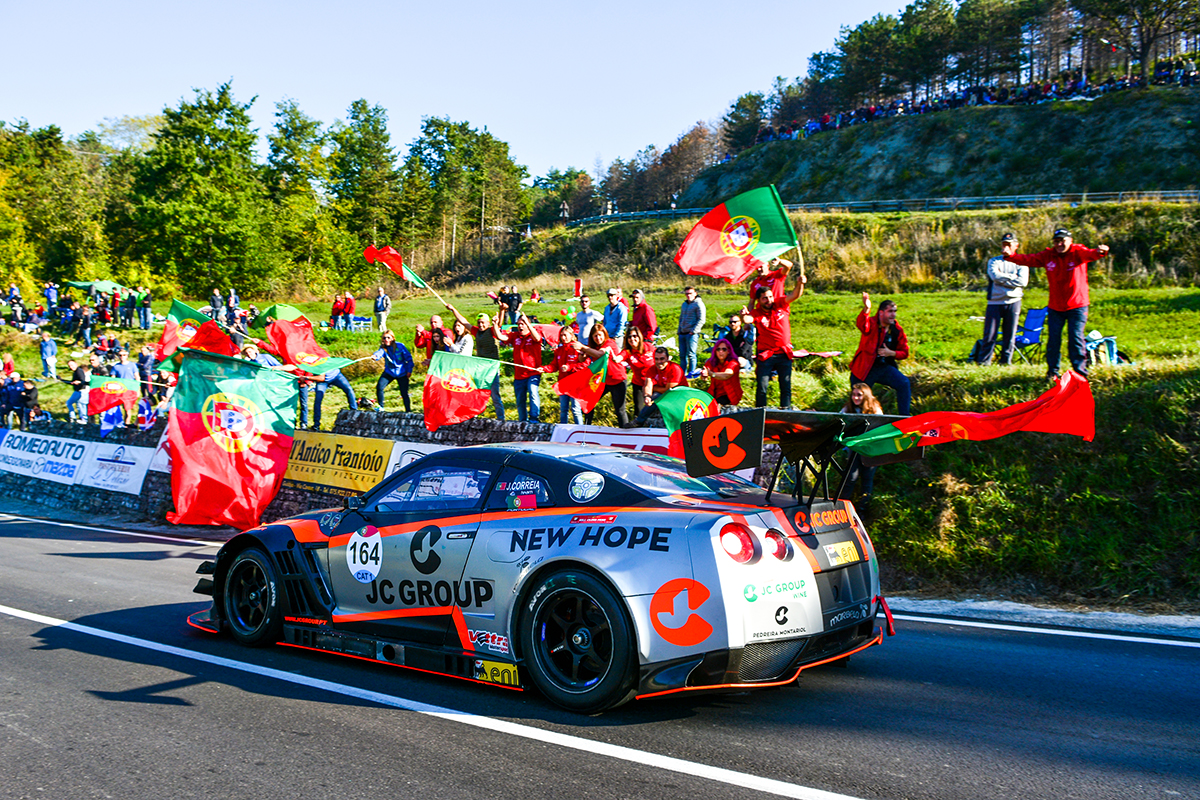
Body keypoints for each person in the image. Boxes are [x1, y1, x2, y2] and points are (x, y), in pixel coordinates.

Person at [1004, 228, 1110, 379]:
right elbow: (1029, 259)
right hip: (1056, 307)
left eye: (1063, 241)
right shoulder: (1048, 255)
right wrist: (1011, 256)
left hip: (1077, 305)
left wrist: (1100, 252)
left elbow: (1090, 254)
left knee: (1075, 338)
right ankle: (1052, 372)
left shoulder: (1077, 251)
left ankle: (1080, 374)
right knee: (1053, 340)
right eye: (1056, 241)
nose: (1059, 244)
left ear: (1070, 241)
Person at [749, 274, 806, 408]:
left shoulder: (780, 304)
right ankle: (760, 412)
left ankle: (786, 411)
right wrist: (743, 316)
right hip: (766, 354)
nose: (769, 300)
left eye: (770, 297)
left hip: (783, 353)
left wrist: (800, 284)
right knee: (762, 386)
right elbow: (748, 319)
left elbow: (795, 295)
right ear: (759, 300)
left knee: (785, 386)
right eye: (764, 298)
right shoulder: (757, 313)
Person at [850, 293, 911, 415]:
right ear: (881, 313)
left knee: (904, 383)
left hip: (883, 368)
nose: (893, 315)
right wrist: (866, 309)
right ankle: (859, 421)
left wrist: (892, 353)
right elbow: (862, 324)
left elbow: (904, 352)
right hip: (864, 368)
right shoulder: (872, 324)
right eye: (890, 311)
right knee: (859, 397)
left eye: (895, 311)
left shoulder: (897, 330)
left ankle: (904, 417)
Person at [978, 233, 1030, 366]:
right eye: (1003, 244)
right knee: (989, 334)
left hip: (1014, 302)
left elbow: (1023, 281)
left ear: (1015, 246)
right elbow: (995, 276)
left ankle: (1006, 362)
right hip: (994, 302)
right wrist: (1012, 277)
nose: (1005, 247)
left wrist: (1003, 279)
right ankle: (984, 362)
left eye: (1008, 244)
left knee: (1010, 334)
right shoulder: (994, 261)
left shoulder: (1022, 262)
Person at [496, 311, 544, 422]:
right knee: (520, 399)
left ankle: (534, 418)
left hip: (533, 372)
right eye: (519, 324)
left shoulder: (534, 335)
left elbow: (537, 339)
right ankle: (523, 420)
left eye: (523, 324)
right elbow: (501, 337)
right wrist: (495, 324)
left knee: (533, 392)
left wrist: (529, 323)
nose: (520, 326)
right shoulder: (515, 336)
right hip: (519, 375)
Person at [578, 325, 629, 427]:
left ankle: (625, 431)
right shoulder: (593, 347)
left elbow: (599, 354)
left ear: (604, 335)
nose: (598, 338)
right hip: (603, 381)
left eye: (600, 335)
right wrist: (582, 353)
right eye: (595, 336)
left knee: (620, 409)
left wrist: (583, 347)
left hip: (617, 380)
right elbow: (581, 360)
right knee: (588, 402)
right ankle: (587, 428)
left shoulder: (610, 343)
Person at [841, 383, 884, 503]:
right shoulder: (848, 408)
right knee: (850, 477)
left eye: (859, 395)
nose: (855, 398)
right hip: (854, 447)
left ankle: (863, 508)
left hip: (870, 448)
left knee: (867, 478)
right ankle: (840, 506)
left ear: (865, 396)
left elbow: (879, 429)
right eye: (853, 395)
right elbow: (838, 420)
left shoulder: (875, 410)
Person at [633, 347, 688, 426]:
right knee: (652, 397)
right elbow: (647, 384)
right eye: (657, 359)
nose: (659, 362)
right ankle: (640, 420)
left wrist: (654, 388)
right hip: (663, 392)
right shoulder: (652, 369)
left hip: (678, 395)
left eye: (662, 359)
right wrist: (647, 396)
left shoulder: (675, 369)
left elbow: (669, 390)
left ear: (668, 359)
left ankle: (639, 420)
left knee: (656, 395)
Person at [546, 324, 586, 424]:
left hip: (575, 383)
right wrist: (544, 368)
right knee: (563, 410)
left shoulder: (577, 348)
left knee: (575, 409)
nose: (563, 338)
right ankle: (563, 431)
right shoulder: (559, 350)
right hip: (562, 383)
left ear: (572, 335)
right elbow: (554, 366)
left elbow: (584, 364)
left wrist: (569, 367)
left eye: (565, 335)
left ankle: (580, 432)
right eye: (561, 336)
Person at [371, 330, 413, 412]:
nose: (386, 339)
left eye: (388, 337)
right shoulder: (383, 348)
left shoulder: (400, 346)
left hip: (402, 372)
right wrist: (375, 356)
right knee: (379, 387)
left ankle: (408, 410)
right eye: (384, 338)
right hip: (389, 372)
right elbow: (379, 353)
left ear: (393, 338)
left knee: (404, 393)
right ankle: (381, 408)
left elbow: (409, 359)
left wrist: (409, 370)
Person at [622, 325, 656, 419]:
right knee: (639, 411)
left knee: (655, 409)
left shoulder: (649, 347)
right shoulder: (627, 352)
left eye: (634, 336)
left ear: (639, 337)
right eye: (629, 337)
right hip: (638, 384)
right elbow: (617, 359)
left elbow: (660, 360)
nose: (632, 339)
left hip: (654, 384)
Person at [702, 338, 743, 406]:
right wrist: (704, 375)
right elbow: (705, 373)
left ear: (728, 351)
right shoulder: (711, 362)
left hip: (729, 394)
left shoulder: (733, 362)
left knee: (717, 408)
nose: (720, 352)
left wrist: (712, 374)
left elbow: (726, 375)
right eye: (718, 349)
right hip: (714, 393)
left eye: (724, 349)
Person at [677, 286, 707, 378]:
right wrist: (679, 330)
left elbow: (702, 319)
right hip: (682, 332)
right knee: (682, 355)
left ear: (695, 293)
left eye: (690, 293)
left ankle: (691, 373)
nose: (688, 295)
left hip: (691, 333)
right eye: (686, 293)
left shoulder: (699, 304)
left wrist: (694, 331)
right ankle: (682, 374)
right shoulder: (684, 304)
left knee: (691, 354)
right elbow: (681, 317)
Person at [110, 349, 140, 425]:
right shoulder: (116, 366)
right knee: (117, 408)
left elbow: (137, 377)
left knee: (127, 409)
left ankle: (127, 424)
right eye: (120, 355)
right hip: (119, 390)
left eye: (124, 355)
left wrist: (138, 389)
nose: (122, 357)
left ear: (127, 356)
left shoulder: (132, 365)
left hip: (129, 390)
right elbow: (112, 378)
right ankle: (118, 423)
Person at [64, 358, 88, 423]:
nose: (71, 367)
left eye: (72, 365)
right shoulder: (75, 372)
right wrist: (62, 380)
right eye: (70, 366)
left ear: (76, 364)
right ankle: (73, 417)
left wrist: (79, 382)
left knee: (80, 404)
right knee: (72, 403)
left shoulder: (79, 370)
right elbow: (72, 382)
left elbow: (82, 380)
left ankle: (83, 419)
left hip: (82, 391)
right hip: (77, 391)